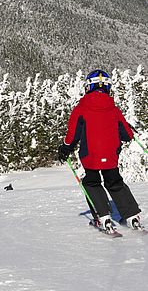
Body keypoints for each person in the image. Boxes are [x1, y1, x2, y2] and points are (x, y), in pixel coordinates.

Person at [58, 69, 142, 233]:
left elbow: (73, 134)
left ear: (88, 87)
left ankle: (103, 217)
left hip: (90, 155)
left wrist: (65, 148)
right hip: (111, 155)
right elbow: (127, 135)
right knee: (114, 181)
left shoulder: (81, 108)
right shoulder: (114, 109)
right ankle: (132, 216)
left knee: (91, 182)